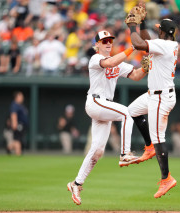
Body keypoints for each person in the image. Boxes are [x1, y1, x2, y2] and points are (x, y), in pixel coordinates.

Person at [67, 30, 148, 205]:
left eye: (109, 40)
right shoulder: (95, 59)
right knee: (127, 112)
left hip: (104, 107)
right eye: (104, 41)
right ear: (97, 45)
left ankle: (76, 183)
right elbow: (110, 62)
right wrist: (131, 49)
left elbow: (135, 76)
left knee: (97, 151)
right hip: (95, 102)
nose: (108, 43)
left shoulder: (119, 62)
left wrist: (147, 67)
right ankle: (125, 153)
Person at [126, 17, 178, 198]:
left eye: (159, 29)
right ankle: (149, 147)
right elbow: (147, 38)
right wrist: (143, 21)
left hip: (161, 97)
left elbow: (139, 43)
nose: (157, 31)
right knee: (131, 111)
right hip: (154, 94)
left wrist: (132, 26)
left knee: (159, 137)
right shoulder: (165, 43)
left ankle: (167, 178)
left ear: (164, 32)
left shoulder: (165, 46)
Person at [8, 91, 29, 156]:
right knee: (18, 140)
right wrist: (14, 123)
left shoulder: (20, 105)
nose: (22, 98)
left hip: (22, 125)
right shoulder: (14, 105)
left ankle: (9, 148)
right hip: (18, 125)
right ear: (16, 97)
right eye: (21, 96)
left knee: (19, 140)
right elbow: (13, 114)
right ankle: (18, 154)